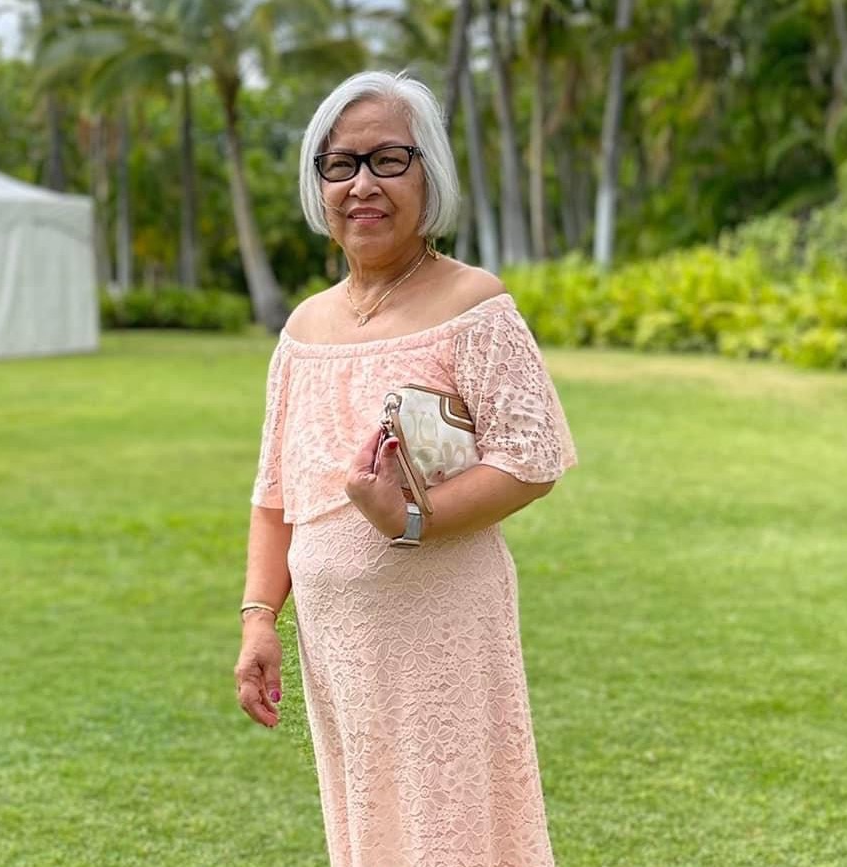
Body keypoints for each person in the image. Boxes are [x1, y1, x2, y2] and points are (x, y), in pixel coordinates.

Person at [233, 70, 577, 867]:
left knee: (451, 827)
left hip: (443, 627)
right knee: (372, 826)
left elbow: (530, 460)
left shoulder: (473, 304)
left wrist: (412, 519)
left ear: (431, 175)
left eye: (389, 160)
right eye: (340, 164)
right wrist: (258, 619)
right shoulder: (304, 328)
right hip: (339, 644)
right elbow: (275, 493)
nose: (363, 184)